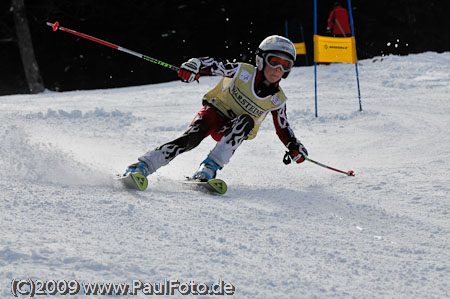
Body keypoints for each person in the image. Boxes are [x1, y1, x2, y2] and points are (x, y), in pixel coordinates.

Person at [123, 35, 308, 186]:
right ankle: (142, 166)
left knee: (246, 122)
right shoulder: (244, 71)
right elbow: (214, 65)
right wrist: (195, 65)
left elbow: (283, 128)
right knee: (192, 138)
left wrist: (294, 146)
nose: (278, 69)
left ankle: (208, 169)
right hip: (214, 113)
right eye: (274, 61)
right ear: (261, 59)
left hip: (232, 129)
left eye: (285, 65)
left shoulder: (278, 99)